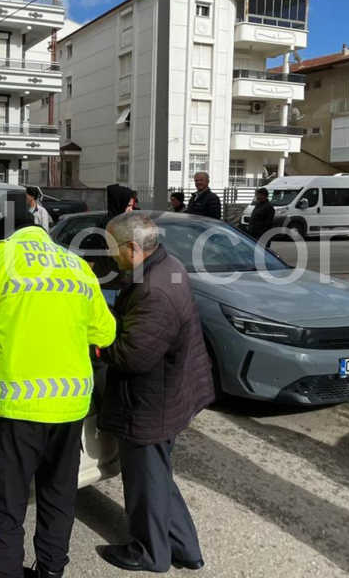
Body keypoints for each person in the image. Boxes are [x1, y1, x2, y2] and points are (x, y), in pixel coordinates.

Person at [0, 201, 116, 578]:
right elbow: (105, 333)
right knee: (58, 500)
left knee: (4, 508)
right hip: (70, 409)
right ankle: (51, 573)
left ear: (3, 234)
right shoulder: (76, 266)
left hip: (17, 413)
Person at [97, 212, 214, 573]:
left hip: (152, 402)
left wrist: (96, 346)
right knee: (158, 476)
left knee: (145, 481)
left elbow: (132, 357)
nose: (109, 254)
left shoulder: (154, 291)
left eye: (112, 248)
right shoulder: (165, 264)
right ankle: (184, 548)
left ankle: (150, 552)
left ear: (133, 248)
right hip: (170, 391)